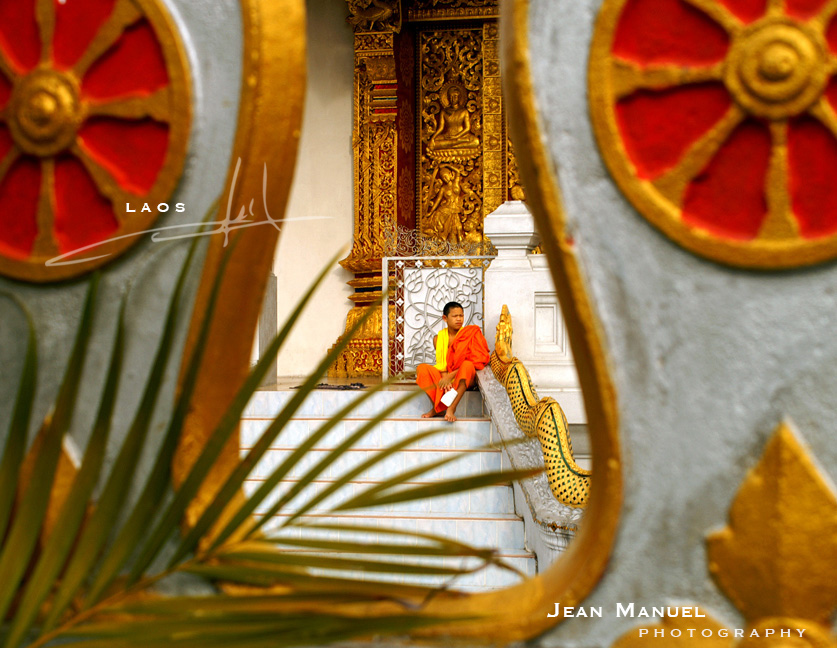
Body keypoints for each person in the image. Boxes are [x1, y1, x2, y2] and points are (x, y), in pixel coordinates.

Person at [416, 301, 490, 422]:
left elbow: (477, 361)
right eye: (455, 316)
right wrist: (445, 379)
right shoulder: (438, 338)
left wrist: (450, 376)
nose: (459, 319)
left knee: (467, 365)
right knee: (422, 369)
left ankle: (451, 408)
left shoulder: (470, 333)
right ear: (445, 318)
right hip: (447, 375)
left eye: (461, 316)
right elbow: (442, 364)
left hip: (465, 376)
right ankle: (437, 408)